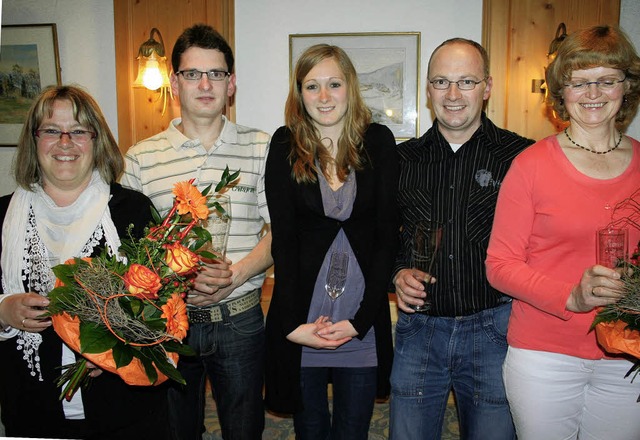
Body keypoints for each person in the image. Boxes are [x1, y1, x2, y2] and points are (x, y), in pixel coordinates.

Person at [485, 25, 640, 440]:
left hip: (628, 357)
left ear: (626, 86)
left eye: (606, 80)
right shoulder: (531, 165)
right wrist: (571, 295)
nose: (593, 92)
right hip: (543, 355)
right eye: (579, 82)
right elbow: (499, 266)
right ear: (561, 91)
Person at [120, 24, 271, 440]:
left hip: (239, 321)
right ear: (175, 83)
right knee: (174, 431)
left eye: (216, 74)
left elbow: (280, 231)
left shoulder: (262, 147)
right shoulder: (140, 158)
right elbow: (130, 250)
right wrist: (171, 285)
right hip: (167, 326)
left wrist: (234, 274)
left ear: (231, 84)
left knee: (245, 430)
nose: (205, 84)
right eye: (192, 74)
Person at [0, 85, 169, 439]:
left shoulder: (133, 212)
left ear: (97, 140)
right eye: (51, 130)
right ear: (34, 140)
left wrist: (115, 347)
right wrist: (2, 311)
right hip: (30, 409)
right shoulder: (0, 216)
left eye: (78, 131)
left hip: (122, 410)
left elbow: (163, 313)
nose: (65, 142)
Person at [389, 38, 534, 440]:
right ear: (428, 89)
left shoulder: (522, 158)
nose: (453, 95)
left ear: (487, 87)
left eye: (466, 81)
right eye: (441, 81)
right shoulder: (401, 162)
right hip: (420, 331)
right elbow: (381, 239)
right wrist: (397, 272)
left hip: (495, 330)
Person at [264, 44, 398, 439]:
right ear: (299, 93)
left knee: (352, 433)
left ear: (350, 87)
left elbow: (386, 238)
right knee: (310, 431)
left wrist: (359, 323)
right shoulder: (284, 145)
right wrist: (292, 325)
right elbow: (284, 243)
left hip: (359, 324)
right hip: (305, 323)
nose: (323, 97)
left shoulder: (379, 141)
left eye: (334, 84)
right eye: (312, 86)